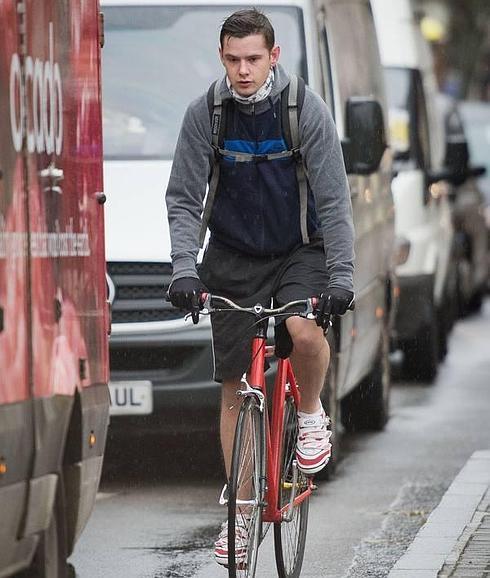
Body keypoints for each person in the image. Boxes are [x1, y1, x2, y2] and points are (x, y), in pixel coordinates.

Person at [166, 8, 354, 566]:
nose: (243, 71)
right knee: (235, 387)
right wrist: (183, 268)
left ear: (274, 56)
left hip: (300, 249)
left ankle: (314, 412)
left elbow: (334, 199)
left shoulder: (306, 112)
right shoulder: (207, 114)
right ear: (221, 58)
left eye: (253, 59)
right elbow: (183, 198)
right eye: (232, 60)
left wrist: (341, 279)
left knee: (302, 328)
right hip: (231, 255)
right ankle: (242, 511)